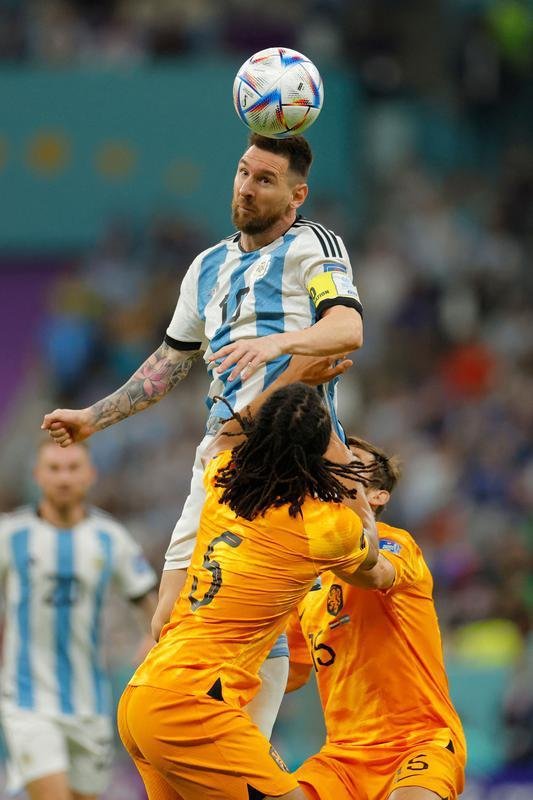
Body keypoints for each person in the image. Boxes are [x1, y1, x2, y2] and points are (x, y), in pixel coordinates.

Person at [41, 132, 364, 736]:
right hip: (216, 460)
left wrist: (281, 342)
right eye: (243, 172)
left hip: (289, 458)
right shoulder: (206, 267)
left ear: (298, 195)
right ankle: (214, 757)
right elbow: (168, 363)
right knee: (168, 622)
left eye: (264, 179)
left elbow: (346, 327)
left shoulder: (311, 247)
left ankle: (255, 759)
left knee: (269, 609)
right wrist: (92, 417)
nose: (246, 186)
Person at [117, 360, 379, 800]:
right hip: (193, 704)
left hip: (144, 694)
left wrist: (291, 373)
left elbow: (224, 435)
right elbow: (370, 556)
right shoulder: (322, 527)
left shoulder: (222, 483)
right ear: (316, 454)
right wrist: (343, 456)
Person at [285, 435, 467, 800]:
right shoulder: (304, 582)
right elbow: (285, 670)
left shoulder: (396, 544)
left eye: (352, 459)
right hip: (342, 758)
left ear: (377, 495)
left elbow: (373, 573)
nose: (337, 461)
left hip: (419, 742)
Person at [0, 440, 159, 800]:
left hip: (89, 703)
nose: (63, 478)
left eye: (73, 468)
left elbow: (150, 606)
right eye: (54, 469)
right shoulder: (10, 536)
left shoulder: (110, 538)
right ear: (37, 476)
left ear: (90, 475)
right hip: (27, 701)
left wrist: (150, 642)